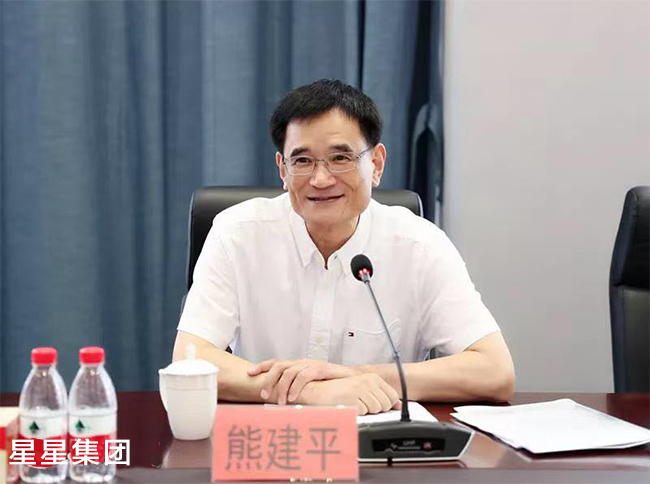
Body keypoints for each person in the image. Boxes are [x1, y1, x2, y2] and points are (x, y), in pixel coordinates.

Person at [173, 79, 515, 415]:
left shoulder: (420, 246)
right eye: (302, 161)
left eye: (340, 158)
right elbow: (190, 358)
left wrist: (354, 378)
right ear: (283, 170)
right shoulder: (237, 234)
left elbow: (495, 371)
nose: (321, 179)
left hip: (378, 445)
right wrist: (312, 391)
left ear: (376, 164)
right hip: (269, 444)